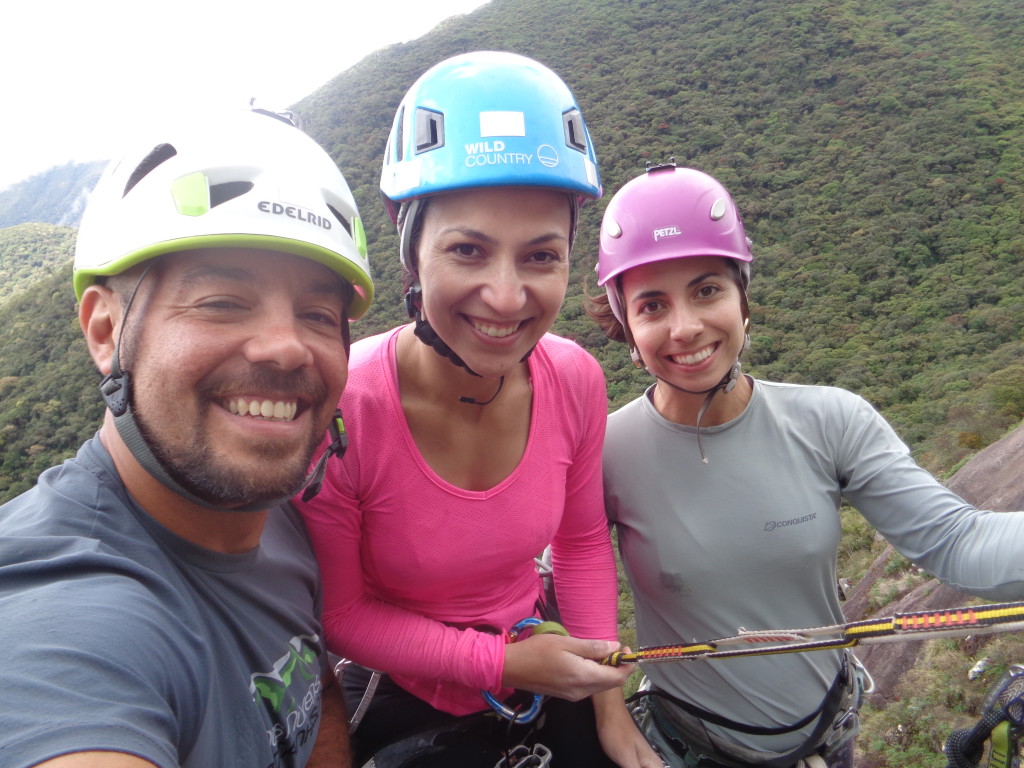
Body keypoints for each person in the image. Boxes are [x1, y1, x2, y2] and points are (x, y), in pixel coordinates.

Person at [588, 162, 1024, 768]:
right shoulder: (606, 451)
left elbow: (955, 540)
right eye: (652, 304)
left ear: (742, 297)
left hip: (826, 740)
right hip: (683, 748)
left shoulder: (831, 421)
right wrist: (606, 709)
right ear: (627, 327)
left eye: (707, 289)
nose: (684, 327)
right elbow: (563, 587)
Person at [296, 52, 660, 768]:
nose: (505, 296)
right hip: (411, 687)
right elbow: (342, 616)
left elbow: (582, 543)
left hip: (543, 655)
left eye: (540, 257)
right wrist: (505, 665)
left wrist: (609, 709)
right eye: (467, 250)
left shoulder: (574, 380)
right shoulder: (347, 407)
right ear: (411, 244)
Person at [0, 104, 375, 768]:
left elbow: (310, 688)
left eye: (319, 314)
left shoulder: (272, 513)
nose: (287, 347)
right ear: (105, 331)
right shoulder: (66, 620)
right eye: (221, 302)